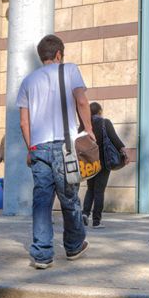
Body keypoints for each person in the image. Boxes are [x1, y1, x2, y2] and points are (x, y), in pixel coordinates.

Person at [16, 34, 92, 269]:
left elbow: (23, 123)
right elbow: (81, 101)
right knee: (69, 198)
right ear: (59, 54)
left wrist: (30, 148)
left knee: (41, 201)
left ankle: (41, 254)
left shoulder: (28, 81)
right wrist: (88, 128)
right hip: (64, 147)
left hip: (38, 148)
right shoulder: (69, 70)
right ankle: (73, 246)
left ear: (42, 56)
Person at [81, 102, 129, 228]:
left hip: (89, 162)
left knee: (90, 189)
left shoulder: (84, 125)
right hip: (103, 162)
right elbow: (114, 138)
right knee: (99, 191)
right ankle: (96, 221)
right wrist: (124, 151)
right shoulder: (104, 122)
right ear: (100, 111)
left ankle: (84, 214)